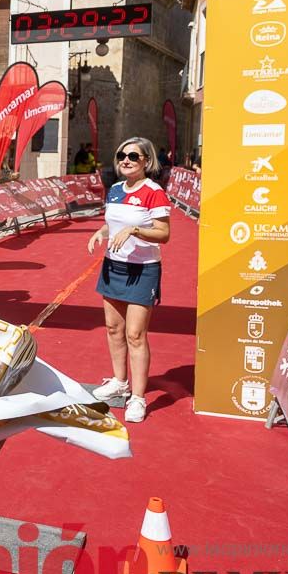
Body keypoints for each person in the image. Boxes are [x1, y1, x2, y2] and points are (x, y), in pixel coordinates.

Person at [86, 138, 171, 424]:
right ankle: (120, 382)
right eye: (121, 154)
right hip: (114, 266)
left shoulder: (154, 192)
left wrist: (136, 230)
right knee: (113, 328)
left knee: (135, 335)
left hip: (142, 269)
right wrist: (101, 232)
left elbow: (163, 233)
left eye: (133, 156)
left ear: (146, 160)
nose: (126, 160)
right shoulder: (114, 190)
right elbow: (114, 223)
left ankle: (138, 397)